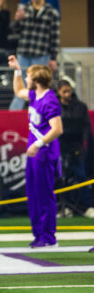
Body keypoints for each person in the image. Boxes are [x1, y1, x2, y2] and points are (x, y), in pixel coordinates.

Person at [7, 56, 63, 247]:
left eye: (29, 76)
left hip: (44, 152)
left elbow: (57, 128)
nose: (27, 79)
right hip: (35, 152)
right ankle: (39, 234)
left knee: (44, 193)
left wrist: (38, 144)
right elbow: (18, 90)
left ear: (37, 79)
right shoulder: (34, 95)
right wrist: (16, 70)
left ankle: (49, 236)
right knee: (33, 193)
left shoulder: (49, 100)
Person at [9, 0, 60, 110]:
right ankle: (13, 115)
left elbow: (55, 36)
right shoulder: (24, 9)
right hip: (24, 52)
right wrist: (17, 20)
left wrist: (53, 57)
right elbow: (15, 31)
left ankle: (43, 112)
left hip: (41, 54)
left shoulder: (51, 12)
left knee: (40, 87)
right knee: (20, 85)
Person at [56, 80, 93, 217]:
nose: (67, 94)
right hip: (60, 148)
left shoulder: (80, 107)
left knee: (81, 176)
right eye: (64, 91)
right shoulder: (55, 107)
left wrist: (82, 146)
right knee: (62, 178)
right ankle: (65, 207)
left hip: (77, 148)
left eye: (69, 91)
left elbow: (86, 128)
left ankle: (88, 206)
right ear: (59, 92)